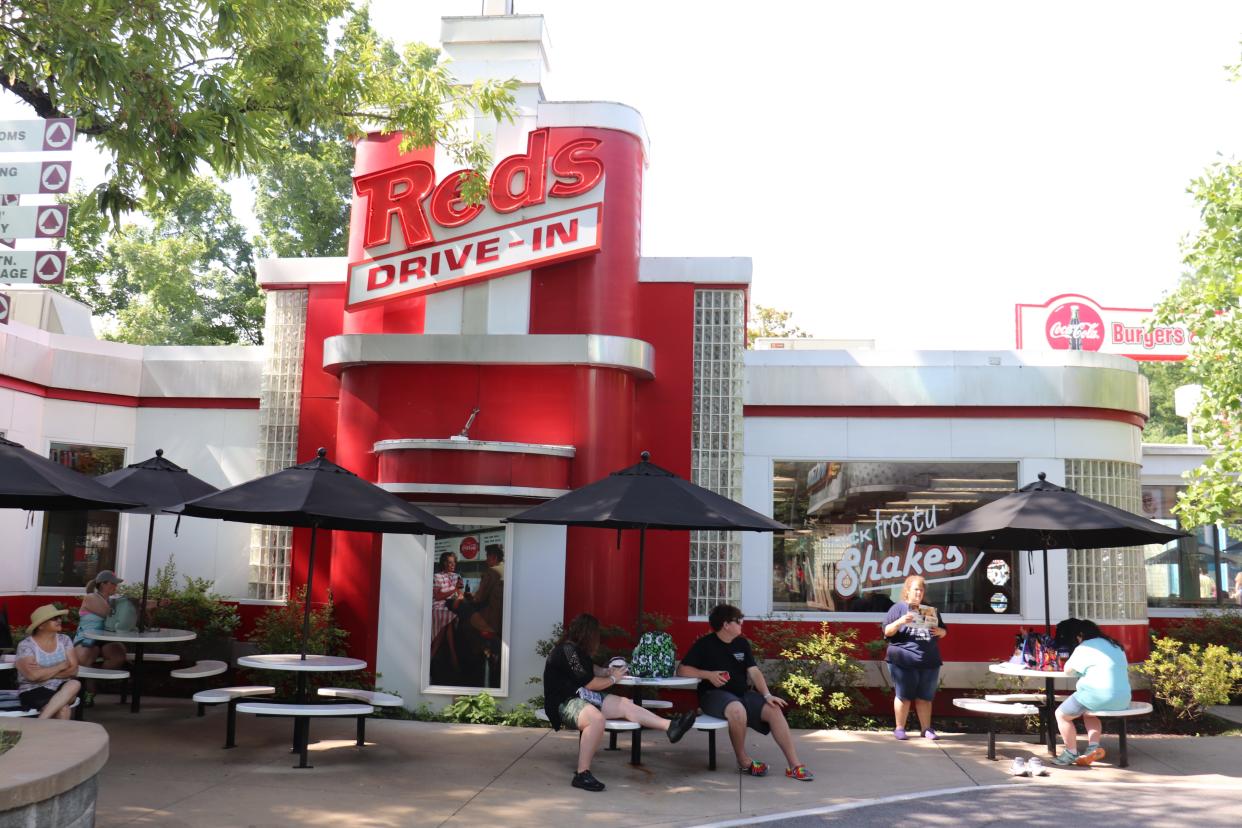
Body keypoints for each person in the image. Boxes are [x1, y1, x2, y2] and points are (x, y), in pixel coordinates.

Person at [543, 613, 697, 792]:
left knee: (624, 704)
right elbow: (590, 683)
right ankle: (582, 773)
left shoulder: (576, 651)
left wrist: (607, 671)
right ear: (589, 634)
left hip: (582, 696)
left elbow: (591, 669)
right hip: (563, 701)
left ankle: (671, 726)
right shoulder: (567, 651)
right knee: (596, 719)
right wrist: (614, 679)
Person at [676, 604, 814, 781]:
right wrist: (708, 675)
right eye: (738, 620)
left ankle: (795, 766)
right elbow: (682, 670)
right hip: (713, 696)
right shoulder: (704, 644)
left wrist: (767, 695)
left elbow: (754, 671)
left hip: (742, 694)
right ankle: (743, 761)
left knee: (773, 709)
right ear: (726, 624)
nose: (742, 622)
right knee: (737, 710)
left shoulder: (742, 643)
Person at [1053, 619, 1131, 766]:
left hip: (1097, 695)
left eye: (1077, 637)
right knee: (1089, 712)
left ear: (1081, 635)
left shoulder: (1085, 646)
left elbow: (1067, 670)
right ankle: (1093, 748)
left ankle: (1070, 753)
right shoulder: (1115, 646)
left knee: (1061, 715)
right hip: (1123, 698)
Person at [881, 574, 948, 741]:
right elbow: (887, 631)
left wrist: (941, 632)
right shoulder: (898, 609)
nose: (919, 593)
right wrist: (900, 621)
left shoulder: (929, 610)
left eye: (921, 590)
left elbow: (943, 630)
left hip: (929, 660)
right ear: (907, 591)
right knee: (903, 696)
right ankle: (900, 728)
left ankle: (926, 729)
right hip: (903, 660)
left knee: (925, 697)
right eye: (916, 589)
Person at [15, 604, 81, 719]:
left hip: (64, 688)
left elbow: (73, 670)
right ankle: (50, 730)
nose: (59, 620)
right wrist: (60, 667)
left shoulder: (64, 640)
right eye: (54, 619)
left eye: (59, 617)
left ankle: (40, 721)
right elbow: (32, 677)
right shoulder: (26, 645)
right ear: (41, 626)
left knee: (75, 683)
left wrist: (43, 673)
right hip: (33, 689)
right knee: (63, 709)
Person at [74, 570, 128, 670]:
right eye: (113, 583)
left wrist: (157, 604)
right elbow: (109, 614)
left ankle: (103, 682)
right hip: (86, 637)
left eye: (116, 584)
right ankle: (91, 684)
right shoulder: (91, 598)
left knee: (118, 656)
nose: (116, 586)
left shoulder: (112, 601)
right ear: (103, 584)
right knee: (84, 656)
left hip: (106, 639)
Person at [430, 551, 464, 670]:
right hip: (438, 606)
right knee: (448, 620)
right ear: (444, 563)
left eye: (454, 562)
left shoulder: (456, 576)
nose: (453, 565)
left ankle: (431, 657)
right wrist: (455, 589)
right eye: (450, 563)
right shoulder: (436, 576)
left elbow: (460, 594)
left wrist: (459, 597)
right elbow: (438, 597)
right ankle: (453, 655)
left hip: (450, 606)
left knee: (448, 620)